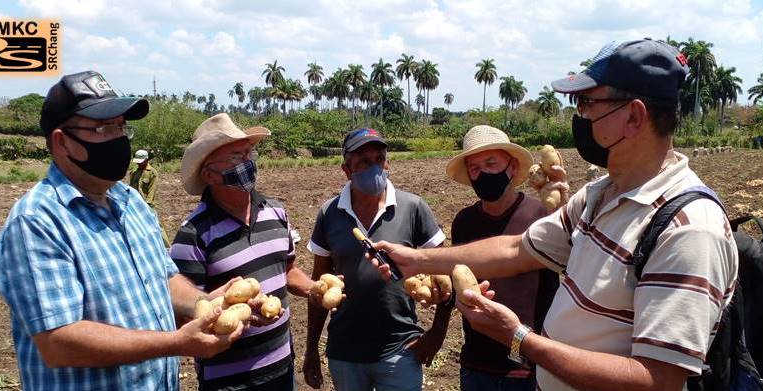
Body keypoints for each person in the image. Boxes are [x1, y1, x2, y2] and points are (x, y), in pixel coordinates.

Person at [371, 39, 738, 391]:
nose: (580, 117)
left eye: (588, 104)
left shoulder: (688, 229)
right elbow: (518, 250)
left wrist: (518, 338)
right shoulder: (599, 195)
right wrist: (417, 260)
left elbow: (657, 381)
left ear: (633, 117)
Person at [0, 71, 242, 391]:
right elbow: (59, 340)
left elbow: (164, 279)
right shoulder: (37, 222)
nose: (118, 138)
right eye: (103, 128)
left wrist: (203, 303)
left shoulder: (129, 201)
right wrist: (176, 343)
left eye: (121, 126)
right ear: (61, 141)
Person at [170, 113, 315, 390]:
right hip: (229, 382)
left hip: (282, 368)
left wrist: (314, 289)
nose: (247, 163)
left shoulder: (276, 212)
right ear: (210, 174)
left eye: (249, 154)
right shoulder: (193, 234)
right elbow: (184, 315)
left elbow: (288, 270)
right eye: (236, 158)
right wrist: (232, 310)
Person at [303, 128, 447, 391]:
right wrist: (311, 349)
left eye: (379, 159)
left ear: (388, 162)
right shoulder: (330, 213)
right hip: (345, 352)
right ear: (346, 169)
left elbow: (446, 274)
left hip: (401, 348)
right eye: (363, 162)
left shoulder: (413, 207)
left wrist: (436, 334)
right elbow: (320, 285)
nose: (374, 168)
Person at [438, 125, 564, 391]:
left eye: (490, 162)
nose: (482, 172)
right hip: (476, 362)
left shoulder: (542, 214)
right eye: (474, 168)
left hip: (527, 364)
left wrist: (565, 214)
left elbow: (574, 266)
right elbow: (460, 285)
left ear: (512, 166)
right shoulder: (464, 222)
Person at [128, 148, 170, 246]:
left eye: (141, 162)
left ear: (146, 160)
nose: (138, 164)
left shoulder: (152, 173)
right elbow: (131, 188)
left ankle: (167, 248)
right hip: (134, 204)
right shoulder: (134, 172)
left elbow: (152, 191)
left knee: (157, 227)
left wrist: (147, 205)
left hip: (147, 205)